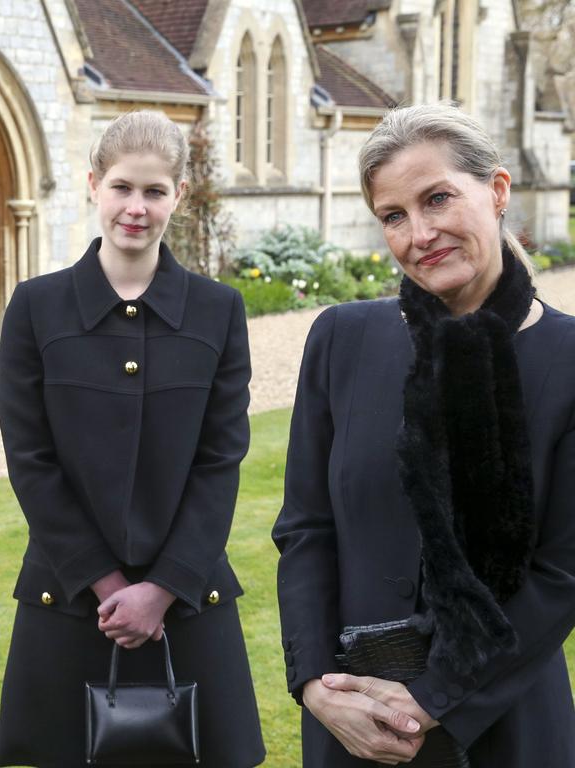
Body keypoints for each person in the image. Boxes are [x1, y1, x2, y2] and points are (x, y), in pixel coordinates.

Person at [273, 102, 575, 766]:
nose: (419, 233)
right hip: (351, 722)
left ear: (496, 191)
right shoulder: (341, 340)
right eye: (394, 216)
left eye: (438, 199)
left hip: (503, 722)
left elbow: (562, 572)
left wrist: (436, 698)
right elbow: (305, 529)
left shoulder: (569, 359)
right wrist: (316, 685)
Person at [0, 110, 265, 768]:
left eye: (154, 191)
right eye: (122, 187)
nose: (136, 208)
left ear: (178, 195)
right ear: (93, 185)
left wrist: (163, 588)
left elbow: (219, 462)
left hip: (189, 607)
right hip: (70, 607)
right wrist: (110, 586)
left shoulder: (218, 310)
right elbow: (31, 463)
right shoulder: (34, 308)